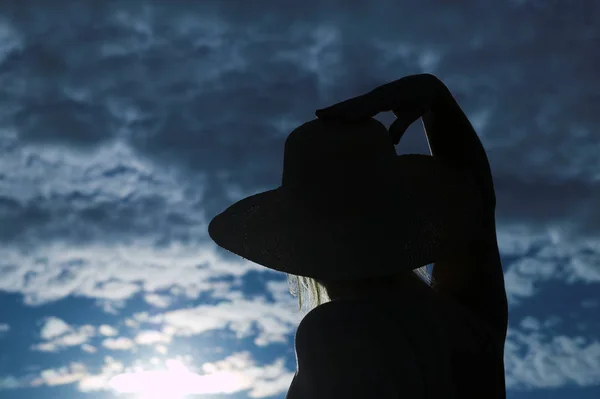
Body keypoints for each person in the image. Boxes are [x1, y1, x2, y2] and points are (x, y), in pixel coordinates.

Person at [208, 74, 509, 398]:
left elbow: (477, 208)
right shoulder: (467, 325)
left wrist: (435, 99)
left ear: (300, 239)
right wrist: (437, 102)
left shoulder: (334, 332)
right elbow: (477, 207)